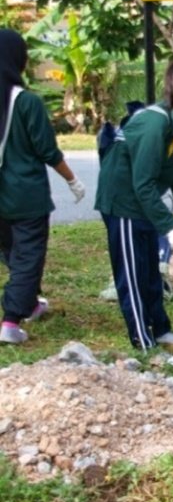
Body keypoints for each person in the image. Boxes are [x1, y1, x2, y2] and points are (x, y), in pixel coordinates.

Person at [95, 61, 173, 352]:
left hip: (144, 204)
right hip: (124, 204)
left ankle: (161, 330)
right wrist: (170, 226)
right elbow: (142, 185)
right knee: (133, 275)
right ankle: (144, 344)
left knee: (151, 271)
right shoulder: (155, 123)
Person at [0, 28, 86, 345]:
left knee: (11, 250)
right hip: (26, 197)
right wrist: (73, 180)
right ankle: (10, 321)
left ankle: (31, 304)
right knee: (28, 256)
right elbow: (47, 151)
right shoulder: (26, 103)